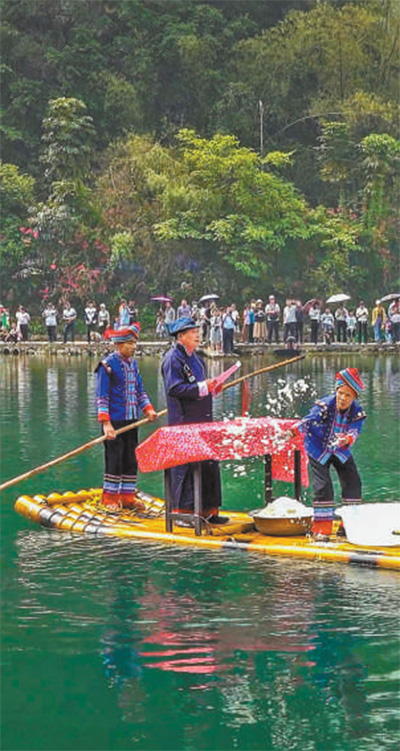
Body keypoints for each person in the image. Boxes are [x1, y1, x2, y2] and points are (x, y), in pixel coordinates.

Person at [161, 316, 227, 524]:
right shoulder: (173, 358)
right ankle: (184, 512)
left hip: (203, 420)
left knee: (208, 464)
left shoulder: (197, 358)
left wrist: (213, 388)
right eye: (193, 332)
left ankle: (209, 510)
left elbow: (202, 387)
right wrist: (202, 387)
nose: (198, 335)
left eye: (198, 331)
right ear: (181, 336)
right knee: (185, 467)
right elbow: (174, 388)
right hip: (183, 422)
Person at [289, 368, 366, 537]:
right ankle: (322, 531)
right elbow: (308, 421)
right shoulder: (324, 406)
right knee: (323, 486)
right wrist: (293, 431)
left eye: (348, 396)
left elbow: (355, 429)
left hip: (340, 449)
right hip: (317, 448)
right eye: (341, 393)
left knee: (353, 482)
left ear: (354, 398)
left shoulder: (357, 412)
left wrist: (348, 439)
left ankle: (348, 527)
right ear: (336, 391)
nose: (343, 398)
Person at [95, 324, 158, 511]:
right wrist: (106, 424)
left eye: (134, 343)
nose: (133, 347)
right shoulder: (107, 366)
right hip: (114, 422)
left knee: (131, 458)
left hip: (132, 420)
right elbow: (102, 396)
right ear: (119, 345)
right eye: (130, 343)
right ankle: (110, 498)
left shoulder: (133, 364)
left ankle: (127, 496)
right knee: (115, 458)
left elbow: (139, 390)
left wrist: (148, 409)